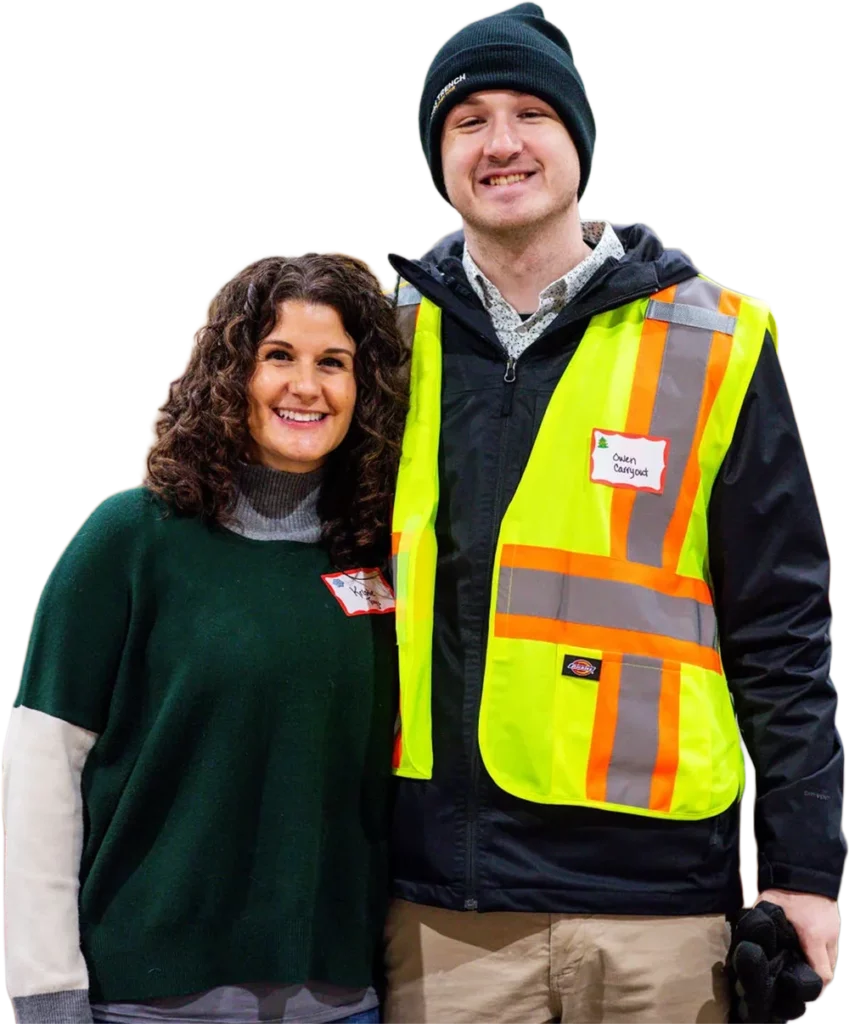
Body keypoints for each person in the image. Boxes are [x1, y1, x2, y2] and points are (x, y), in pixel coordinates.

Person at [380, 4, 846, 1023]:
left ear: (579, 142)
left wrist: (806, 870)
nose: (500, 142)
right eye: (467, 121)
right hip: (447, 910)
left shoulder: (714, 342)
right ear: (436, 157)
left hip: (661, 911)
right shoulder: (382, 343)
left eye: (530, 113)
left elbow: (781, 625)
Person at [2, 251, 409, 1024]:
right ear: (230, 374)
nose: (306, 386)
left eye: (333, 363)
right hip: (146, 998)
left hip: (336, 1000)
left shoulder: (381, 555)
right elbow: (43, 770)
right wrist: (47, 990)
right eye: (278, 356)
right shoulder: (132, 541)